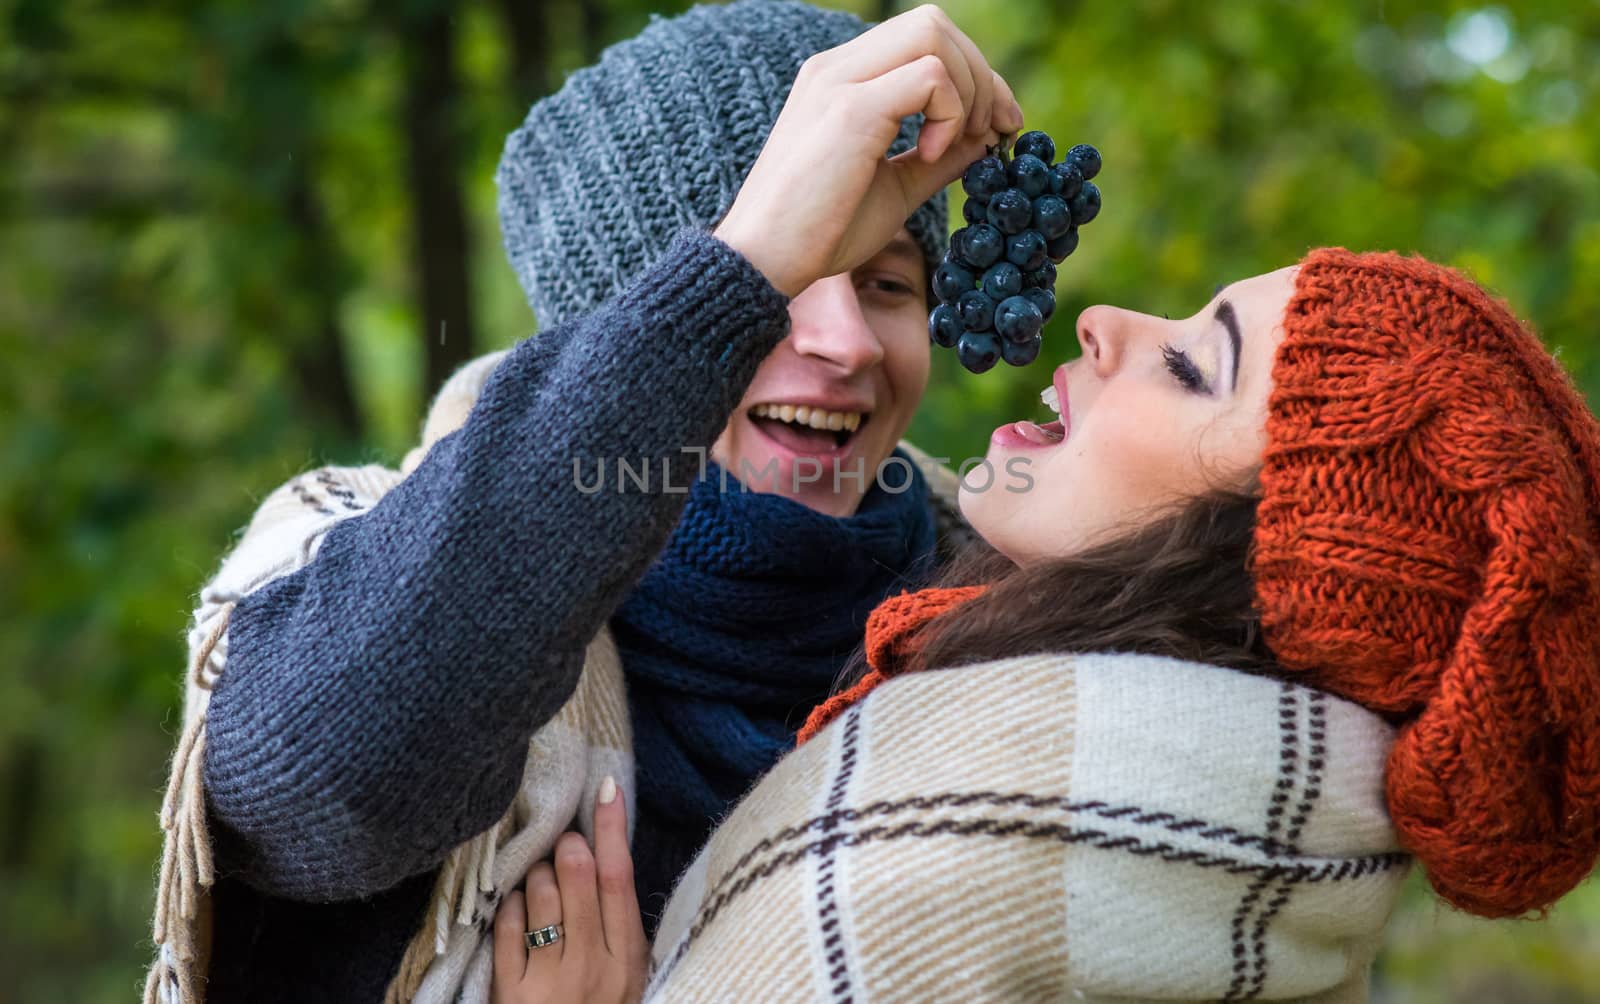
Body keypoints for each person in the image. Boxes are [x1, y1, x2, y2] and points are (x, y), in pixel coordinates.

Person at [143, 0, 1023, 1003]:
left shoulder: (1003, 620)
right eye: (785, 273)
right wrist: (743, 263)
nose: (851, 344)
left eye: (888, 286)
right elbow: (314, 792)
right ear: (639, 331)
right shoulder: (353, 550)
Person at [492, 252, 1600, 1003]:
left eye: (1187, 367)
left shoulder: (970, 852)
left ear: (1252, 566)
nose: (1106, 322)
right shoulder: (1211, 829)